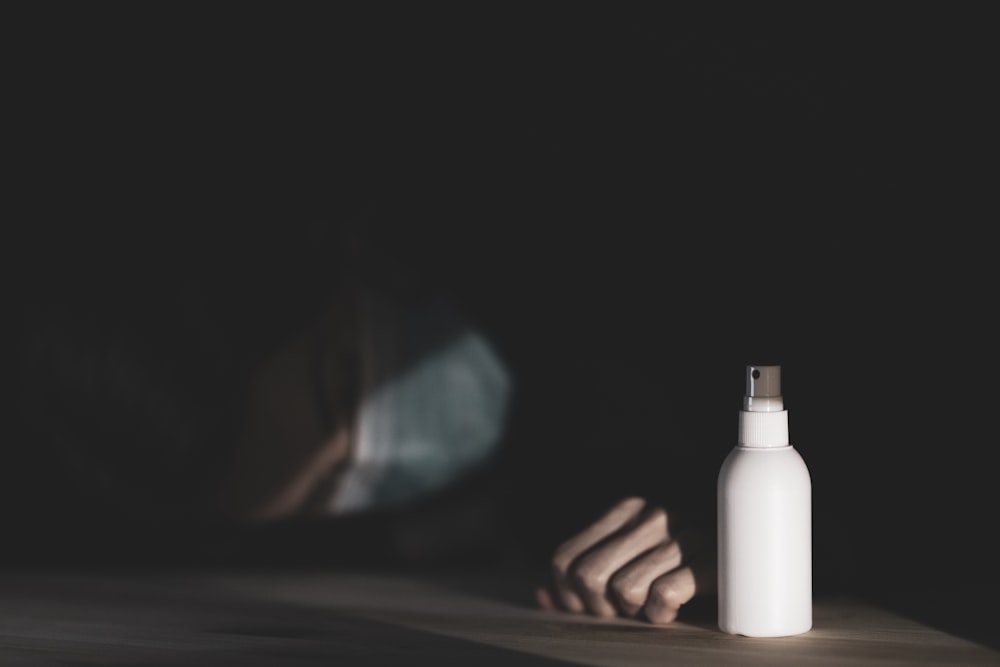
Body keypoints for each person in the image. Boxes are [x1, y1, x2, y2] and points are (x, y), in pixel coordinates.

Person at [5, 199, 721, 627]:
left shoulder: (608, 242)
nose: (379, 454)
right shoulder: (420, 551)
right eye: (328, 490)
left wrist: (761, 537)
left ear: (349, 265)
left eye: (341, 383)